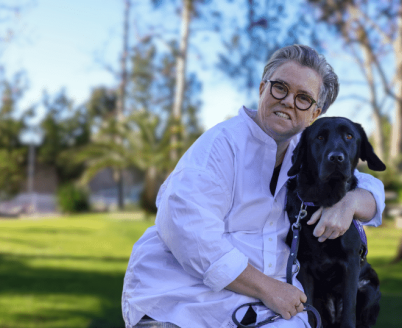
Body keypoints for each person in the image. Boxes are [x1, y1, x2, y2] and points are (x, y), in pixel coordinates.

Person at [122, 44, 385, 328]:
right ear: (262, 89)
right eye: (280, 88)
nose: (288, 101)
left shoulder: (304, 151)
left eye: (303, 98)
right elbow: (189, 233)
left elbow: (370, 185)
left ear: (314, 113)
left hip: (261, 310)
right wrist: (268, 289)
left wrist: (350, 204)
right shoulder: (218, 147)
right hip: (181, 303)